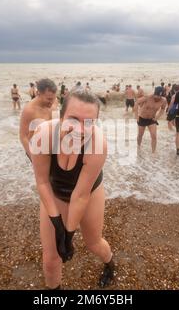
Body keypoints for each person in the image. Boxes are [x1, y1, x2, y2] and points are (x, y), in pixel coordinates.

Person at [29, 91, 115, 290]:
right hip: (55, 191)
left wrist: (69, 234)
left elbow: (81, 194)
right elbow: (42, 182)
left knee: (93, 243)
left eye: (88, 122)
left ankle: (109, 263)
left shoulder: (97, 145)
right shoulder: (43, 135)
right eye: (73, 119)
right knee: (51, 258)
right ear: (60, 117)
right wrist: (57, 224)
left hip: (89, 193)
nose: (79, 129)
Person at [19, 79, 58, 161]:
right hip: (37, 150)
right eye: (49, 99)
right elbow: (23, 137)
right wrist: (34, 158)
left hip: (53, 148)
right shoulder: (29, 110)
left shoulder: (54, 101)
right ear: (38, 93)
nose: (52, 102)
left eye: (54, 98)